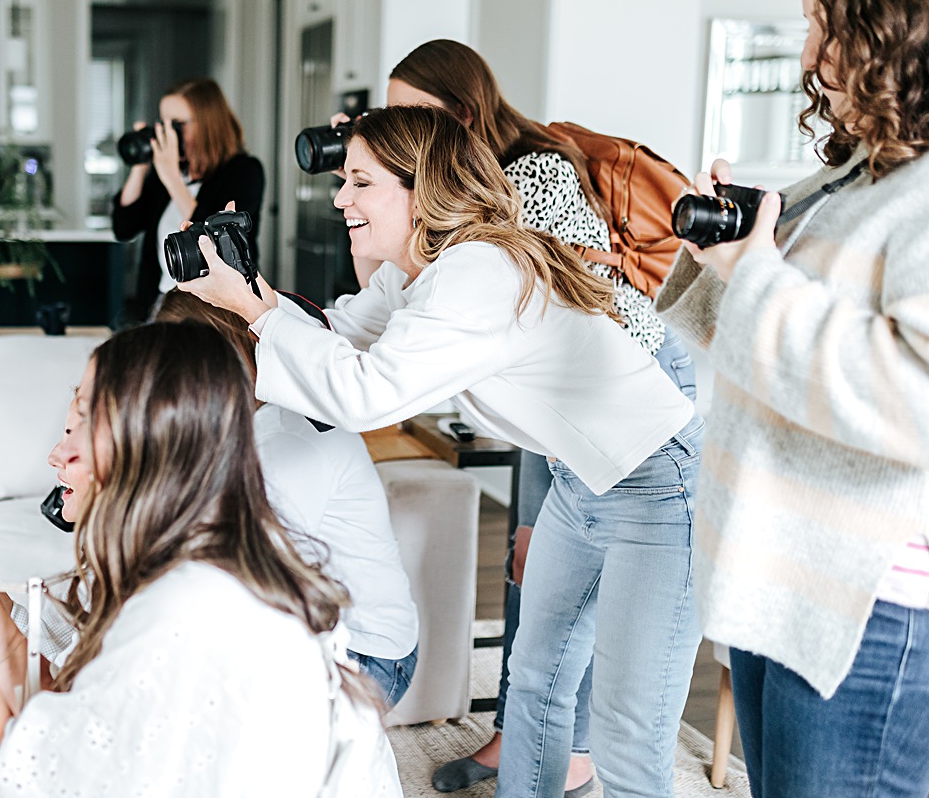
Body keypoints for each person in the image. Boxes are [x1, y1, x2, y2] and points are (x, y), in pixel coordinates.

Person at [183, 104, 705, 798]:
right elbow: (337, 330)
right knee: (539, 682)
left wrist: (256, 312)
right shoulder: (425, 272)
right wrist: (248, 288)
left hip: (658, 480)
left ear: (418, 185)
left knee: (629, 733)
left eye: (361, 182)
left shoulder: (476, 273)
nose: (340, 198)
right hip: (581, 479)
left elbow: (365, 392)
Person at [655, 0, 929, 798]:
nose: (811, 57)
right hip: (783, 589)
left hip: (865, 619)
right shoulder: (868, 171)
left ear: (899, 20)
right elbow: (774, 339)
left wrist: (753, 278)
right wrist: (730, 255)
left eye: (824, 25)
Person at [0, 322, 402, 797]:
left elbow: (17, 777)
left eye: (81, 424)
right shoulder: (201, 554)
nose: (57, 453)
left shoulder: (190, 608)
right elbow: (47, 707)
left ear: (147, 447)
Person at [376, 39, 697, 795]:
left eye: (407, 118)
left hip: (632, 392)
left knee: (621, 673)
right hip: (564, 407)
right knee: (541, 631)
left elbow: (559, 322)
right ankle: (531, 750)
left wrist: (536, 507)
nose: (400, 136)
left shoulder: (533, 171)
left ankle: (578, 755)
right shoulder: (460, 188)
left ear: (459, 115)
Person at [154, 289, 420, 707]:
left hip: (366, 653)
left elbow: (251, 580)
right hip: (313, 622)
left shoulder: (288, 440)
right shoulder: (246, 417)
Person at [111, 77, 265, 319]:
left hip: (214, 311)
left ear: (207, 124)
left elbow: (217, 241)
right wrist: (140, 166)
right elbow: (123, 228)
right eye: (164, 123)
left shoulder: (243, 171)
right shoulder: (167, 172)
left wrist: (171, 177)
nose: (168, 133)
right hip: (161, 305)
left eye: (178, 124)